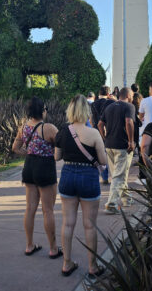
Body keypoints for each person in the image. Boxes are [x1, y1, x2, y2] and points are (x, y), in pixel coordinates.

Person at [55, 95, 107, 278]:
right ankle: (93, 267)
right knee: (89, 225)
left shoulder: (62, 131)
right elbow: (103, 161)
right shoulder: (93, 134)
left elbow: (57, 157)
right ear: (87, 111)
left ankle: (66, 263)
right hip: (88, 178)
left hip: (68, 176)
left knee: (68, 223)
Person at [11, 97, 61, 259]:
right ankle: (53, 248)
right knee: (48, 210)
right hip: (45, 167)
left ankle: (29, 245)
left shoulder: (24, 127)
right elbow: (62, 146)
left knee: (30, 208)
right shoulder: (49, 128)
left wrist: (30, 152)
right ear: (42, 111)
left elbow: (15, 148)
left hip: (29, 166)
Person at [98, 87, 135, 215]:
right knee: (119, 175)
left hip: (109, 145)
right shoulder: (129, 107)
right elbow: (129, 122)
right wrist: (131, 141)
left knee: (117, 174)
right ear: (129, 96)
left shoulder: (109, 106)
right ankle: (112, 204)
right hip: (122, 145)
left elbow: (99, 124)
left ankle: (127, 198)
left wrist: (104, 137)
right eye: (132, 96)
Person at [90, 86, 114, 185]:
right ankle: (114, 177)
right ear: (108, 93)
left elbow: (91, 119)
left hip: (97, 131)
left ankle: (104, 177)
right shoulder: (111, 103)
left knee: (100, 154)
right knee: (111, 155)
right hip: (109, 131)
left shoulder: (93, 104)